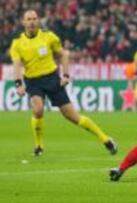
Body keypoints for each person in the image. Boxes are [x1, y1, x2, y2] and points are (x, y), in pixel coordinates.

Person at [9, 10, 117, 156]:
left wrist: (65, 75)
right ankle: (39, 146)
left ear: (38, 21)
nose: (32, 22)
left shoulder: (48, 37)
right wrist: (18, 84)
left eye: (34, 18)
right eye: (29, 19)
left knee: (72, 116)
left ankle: (105, 139)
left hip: (52, 78)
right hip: (33, 81)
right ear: (23, 22)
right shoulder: (17, 43)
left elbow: (64, 54)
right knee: (38, 109)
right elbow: (16, 64)